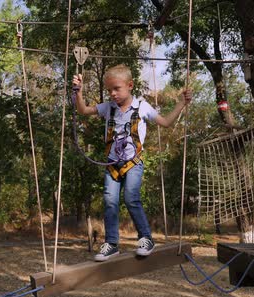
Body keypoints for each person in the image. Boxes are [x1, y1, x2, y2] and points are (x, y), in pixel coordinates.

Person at [72, 64, 192, 262]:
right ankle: (111, 243)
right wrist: (79, 92)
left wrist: (181, 104)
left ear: (130, 85)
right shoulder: (107, 108)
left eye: (116, 89)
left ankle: (146, 238)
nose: (112, 93)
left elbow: (165, 122)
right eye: (109, 90)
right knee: (110, 201)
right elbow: (83, 110)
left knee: (131, 198)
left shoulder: (141, 107)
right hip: (112, 165)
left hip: (133, 163)